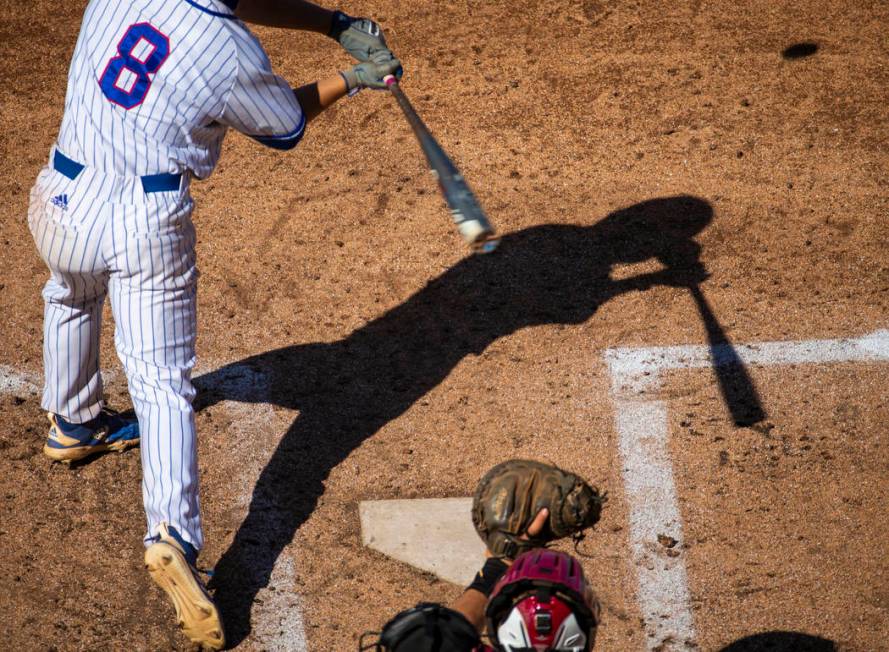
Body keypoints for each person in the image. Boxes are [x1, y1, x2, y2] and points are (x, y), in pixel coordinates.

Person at [27, 0, 400, 648]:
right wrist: (354, 77)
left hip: (61, 194)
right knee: (161, 383)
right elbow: (283, 126)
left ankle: (74, 420)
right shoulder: (227, 50)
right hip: (140, 220)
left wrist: (331, 24)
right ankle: (171, 535)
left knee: (70, 292)